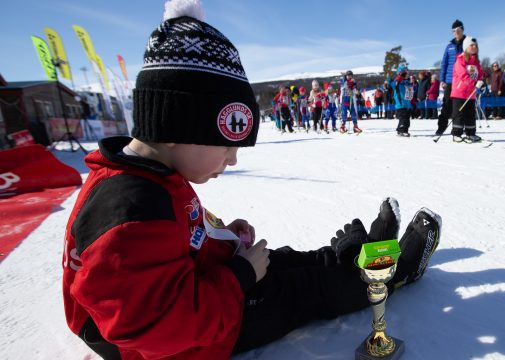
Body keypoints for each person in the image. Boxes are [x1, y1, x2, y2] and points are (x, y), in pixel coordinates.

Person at [62, 2, 444, 359]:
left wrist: (223, 237)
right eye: (227, 145)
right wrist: (240, 274)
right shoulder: (127, 210)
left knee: (294, 260)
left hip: (213, 287)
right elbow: (155, 326)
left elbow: (174, 242)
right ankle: (398, 272)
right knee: (306, 290)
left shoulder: (151, 178)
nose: (232, 159)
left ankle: (371, 254)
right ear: (175, 126)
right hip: (201, 335)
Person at [451, 36, 485, 143]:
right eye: (472, 45)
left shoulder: (476, 62)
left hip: (471, 93)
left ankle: (471, 133)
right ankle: (456, 134)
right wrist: (475, 83)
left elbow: (480, 75)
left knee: (470, 113)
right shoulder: (460, 60)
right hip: (460, 92)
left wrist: (481, 83)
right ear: (466, 47)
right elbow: (463, 75)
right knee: (459, 114)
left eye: (476, 45)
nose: (474, 47)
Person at [436, 19, 467, 135]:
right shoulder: (449, 46)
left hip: (462, 81)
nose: (456, 32)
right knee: (446, 106)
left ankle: (458, 128)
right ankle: (441, 128)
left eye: (458, 30)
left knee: (459, 106)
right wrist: (442, 79)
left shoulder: (467, 44)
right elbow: (444, 63)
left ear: (462, 30)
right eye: (454, 31)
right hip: (449, 81)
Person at [391, 64, 413, 137]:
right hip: (401, 104)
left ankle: (404, 130)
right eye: (406, 73)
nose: (407, 74)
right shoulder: (397, 82)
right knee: (403, 118)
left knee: (407, 119)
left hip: (407, 104)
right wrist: (400, 77)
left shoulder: (406, 82)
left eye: (407, 72)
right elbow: (394, 84)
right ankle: (401, 130)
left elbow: (411, 91)